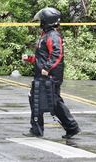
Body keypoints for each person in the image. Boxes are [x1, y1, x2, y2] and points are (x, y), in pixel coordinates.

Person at [22, 7, 80, 139]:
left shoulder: (53, 36)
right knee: (36, 98)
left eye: (41, 20)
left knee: (53, 102)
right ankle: (38, 128)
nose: (39, 22)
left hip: (50, 76)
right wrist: (30, 59)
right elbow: (42, 57)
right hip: (43, 75)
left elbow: (57, 54)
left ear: (46, 21)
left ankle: (71, 127)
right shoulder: (46, 35)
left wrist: (47, 68)